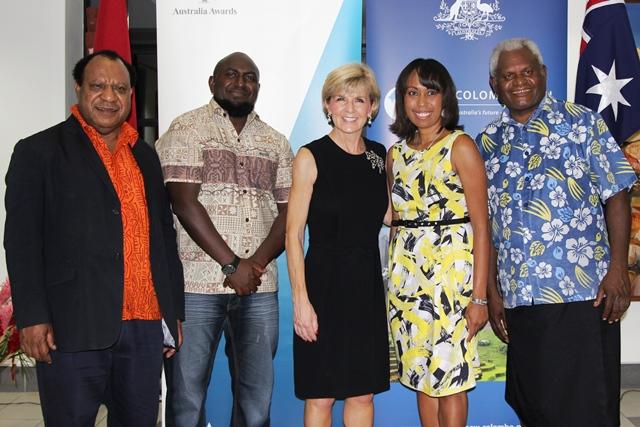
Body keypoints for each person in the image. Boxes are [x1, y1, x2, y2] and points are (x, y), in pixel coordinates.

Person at [4, 50, 185, 426]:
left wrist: (173, 311)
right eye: (98, 86)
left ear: (132, 95)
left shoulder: (146, 156)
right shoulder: (38, 151)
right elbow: (21, 242)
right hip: (72, 326)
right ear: (78, 89)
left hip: (144, 323)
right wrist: (33, 317)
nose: (109, 97)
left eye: (120, 88)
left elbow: (164, 238)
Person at [476, 38, 637, 427]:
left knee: (588, 411)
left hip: (582, 296)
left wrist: (618, 270)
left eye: (527, 72)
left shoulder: (582, 123)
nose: (519, 82)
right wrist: (493, 293)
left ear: (543, 74)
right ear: (494, 84)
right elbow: (488, 223)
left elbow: (617, 193)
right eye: (508, 75)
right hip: (520, 302)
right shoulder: (485, 143)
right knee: (537, 410)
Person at [156, 52, 293, 427]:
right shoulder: (187, 129)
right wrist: (232, 264)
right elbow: (183, 203)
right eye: (231, 75)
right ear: (213, 82)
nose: (240, 82)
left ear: (258, 88)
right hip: (196, 286)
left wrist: (255, 265)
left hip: (259, 288)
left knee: (256, 401)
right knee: (186, 398)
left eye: (250, 77)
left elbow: (289, 213)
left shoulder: (275, 142)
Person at [387, 58, 490, 427]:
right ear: (402, 99)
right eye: (412, 92)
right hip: (406, 282)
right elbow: (392, 216)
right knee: (421, 379)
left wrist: (480, 298)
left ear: (445, 97)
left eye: (431, 92)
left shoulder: (459, 146)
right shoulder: (394, 154)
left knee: (451, 381)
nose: (422, 102)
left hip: (452, 281)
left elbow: (482, 226)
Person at [286, 63, 390, 426]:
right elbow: (294, 234)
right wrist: (301, 299)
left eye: (359, 99)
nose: (349, 108)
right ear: (327, 104)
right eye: (340, 98)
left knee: (363, 392)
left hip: (366, 287)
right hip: (323, 286)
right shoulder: (310, 156)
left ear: (372, 107)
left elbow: (395, 215)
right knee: (322, 395)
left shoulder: (380, 157)